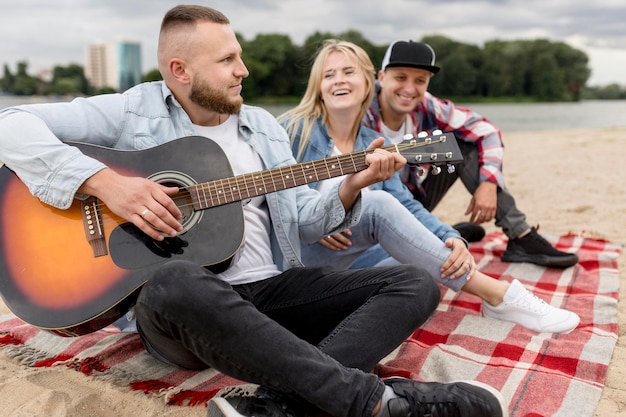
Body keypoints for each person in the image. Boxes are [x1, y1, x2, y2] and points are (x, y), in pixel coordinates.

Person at [0, 6, 508, 417]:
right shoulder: (132, 111)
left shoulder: (262, 126)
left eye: (239, 56)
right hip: (181, 309)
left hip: (271, 291)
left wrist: (355, 181)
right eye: (227, 60)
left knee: (415, 283)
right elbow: (10, 122)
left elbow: (305, 220)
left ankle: (277, 407)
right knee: (175, 279)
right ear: (180, 70)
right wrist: (105, 184)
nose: (243, 69)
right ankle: (369, 401)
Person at [278, 39, 579, 335]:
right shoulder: (293, 130)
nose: (338, 81)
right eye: (329, 75)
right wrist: (317, 219)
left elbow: (405, 203)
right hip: (303, 256)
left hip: (354, 259)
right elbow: (264, 194)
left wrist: (452, 237)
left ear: (369, 83)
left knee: (420, 264)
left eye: (348, 72)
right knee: (377, 206)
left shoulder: (371, 140)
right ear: (318, 85)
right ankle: (498, 295)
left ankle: (469, 245)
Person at [363, 40, 579, 268]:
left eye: (420, 81)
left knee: (461, 145)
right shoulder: (359, 112)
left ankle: (520, 236)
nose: (409, 89)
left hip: (414, 200)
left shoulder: (427, 105)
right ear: (382, 77)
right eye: (400, 77)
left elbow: (487, 132)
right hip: (370, 210)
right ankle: (442, 231)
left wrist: (488, 184)